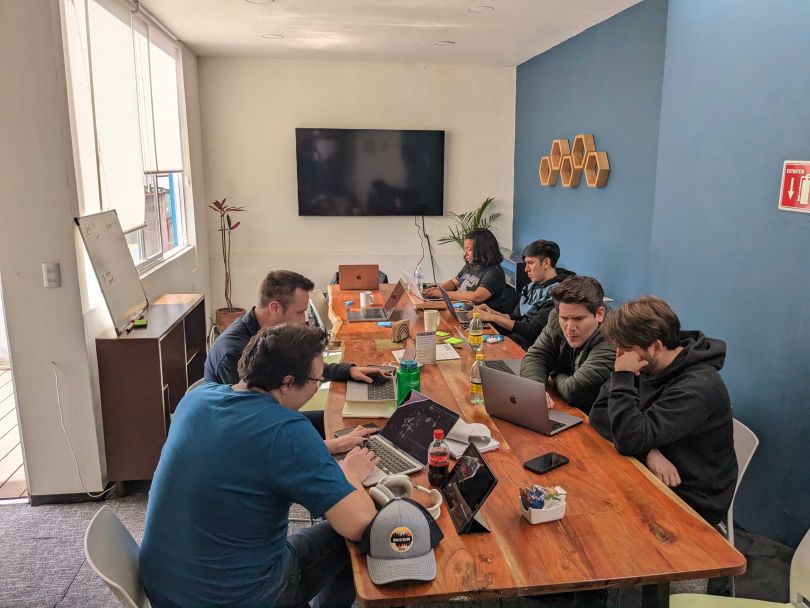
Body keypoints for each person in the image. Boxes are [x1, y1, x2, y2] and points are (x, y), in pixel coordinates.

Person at [140, 325, 381, 608]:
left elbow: (246, 450)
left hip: (165, 586)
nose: (318, 385)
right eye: (317, 379)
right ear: (287, 382)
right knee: (353, 538)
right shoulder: (287, 430)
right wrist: (349, 475)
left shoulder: (196, 398)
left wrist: (328, 447)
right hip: (238, 598)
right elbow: (360, 525)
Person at [588, 296, 737, 525]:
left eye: (626, 350)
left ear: (656, 347)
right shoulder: (646, 362)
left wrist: (622, 377)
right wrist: (648, 452)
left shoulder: (697, 388)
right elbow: (598, 412)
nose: (620, 358)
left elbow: (629, 438)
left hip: (688, 496)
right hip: (646, 469)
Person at [204, 270, 387, 439]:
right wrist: (326, 446)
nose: (304, 320)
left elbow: (299, 366)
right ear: (275, 308)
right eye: (299, 313)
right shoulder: (234, 352)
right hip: (251, 433)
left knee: (355, 426)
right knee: (340, 423)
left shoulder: (266, 334)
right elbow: (256, 426)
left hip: (269, 419)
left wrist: (348, 371)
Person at [520, 276, 615, 413]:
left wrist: (555, 374)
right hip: (566, 408)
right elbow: (535, 356)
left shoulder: (612, 337)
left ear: (599, 314)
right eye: (564, 318)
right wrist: (536, 389)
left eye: (578, 319)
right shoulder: (555, 318)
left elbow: (574, 391)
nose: (570, 327)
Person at [473, 239, 575, 349]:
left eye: (530, 263)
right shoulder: (530, 287)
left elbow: (533, 331)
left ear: (546, 263)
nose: (526, 269)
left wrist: (493, 317)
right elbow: (518, 318)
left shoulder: (558, 293)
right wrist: (492, 312)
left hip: (532, 350)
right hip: (514, 342)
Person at [423, 228, 513, 312]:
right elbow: (454, 282)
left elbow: (476, 297)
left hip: (481, 321)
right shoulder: (470, 265)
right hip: (461, 309)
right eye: (465, 249)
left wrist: (442, 294)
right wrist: (437, 289)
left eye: (469, 250)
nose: (465, 253)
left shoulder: (494, 272)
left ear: (482, 250)